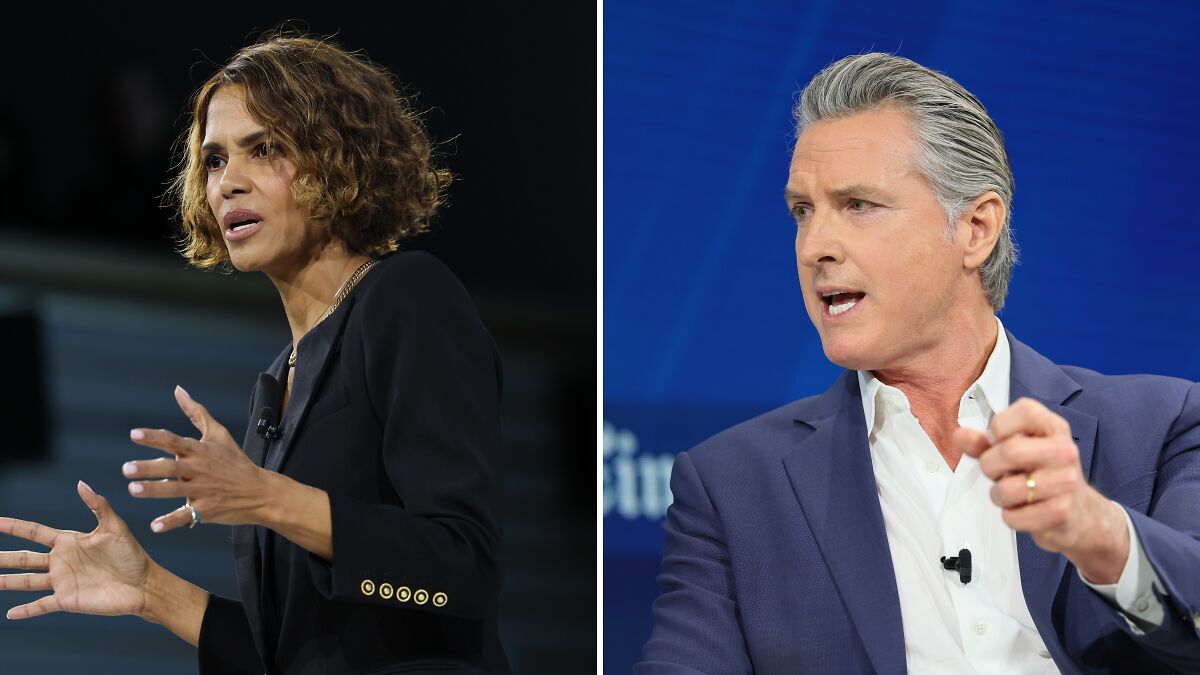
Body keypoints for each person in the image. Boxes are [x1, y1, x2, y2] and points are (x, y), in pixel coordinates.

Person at [638, 53, 1200, 674]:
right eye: (803, 211)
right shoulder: (730, 485)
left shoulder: (1164, 425)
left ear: (976, 229)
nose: (815, 246)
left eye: (858, 205)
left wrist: (1099, 533)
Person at [0, 34, 510, 674]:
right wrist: (151, 592)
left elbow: (465, 567)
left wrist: (266, 496)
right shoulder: (278, 379)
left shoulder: (407, 297)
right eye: (213, 162)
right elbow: (294, 654)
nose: (228, 183)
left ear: (334, 158)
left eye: (263, 149)